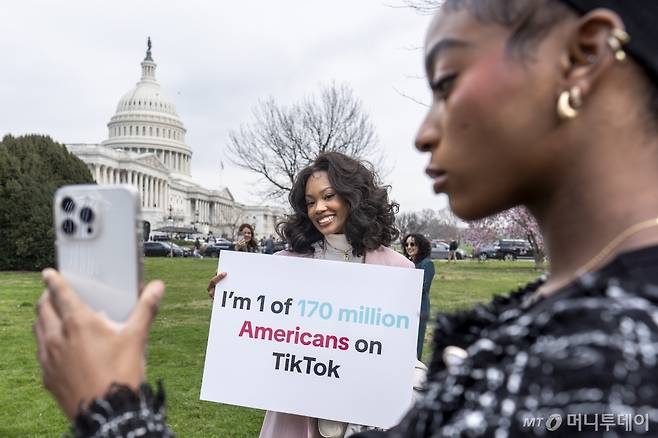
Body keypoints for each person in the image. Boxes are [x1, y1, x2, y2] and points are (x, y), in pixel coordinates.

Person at [34, 1, 658, 436]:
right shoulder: (552, 334)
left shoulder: (610, 359)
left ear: (582, 58)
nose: (422, 133)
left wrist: (108, 406)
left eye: (446, 81)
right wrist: (254, 313)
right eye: (310, 200)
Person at [208, 152, 418, 438]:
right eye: (310, 202)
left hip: (365, 419)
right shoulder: (284, 264)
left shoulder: (399, 268)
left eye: (328, 196)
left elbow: (396, 354)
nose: (319, 208)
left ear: (353, 196)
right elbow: (256, 333)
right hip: (295, 419)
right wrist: (228, 299)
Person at [402, 234, 435, 360]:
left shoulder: (427, 263)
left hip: (420, 307)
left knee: (417, 339)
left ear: (420, 246)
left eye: (412, 244)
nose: (409, 247)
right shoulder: (408, 263)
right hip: (406, 306)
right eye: (406, 244)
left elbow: (423, 288)